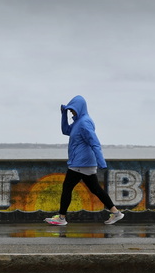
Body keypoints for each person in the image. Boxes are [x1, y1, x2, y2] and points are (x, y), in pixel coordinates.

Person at [45, 95, 125, 226]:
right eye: (70, 110)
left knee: (67, 188)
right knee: (95, 189)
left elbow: (95, 143)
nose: (72, 112)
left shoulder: (84, 123)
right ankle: (116, 213)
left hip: (80, 163)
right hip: (83, 163)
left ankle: (61, 218)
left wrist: (101, 162)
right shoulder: (78, 122)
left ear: (80, 108)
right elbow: (65, 130)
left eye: (72, 110)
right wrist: (63, 114)